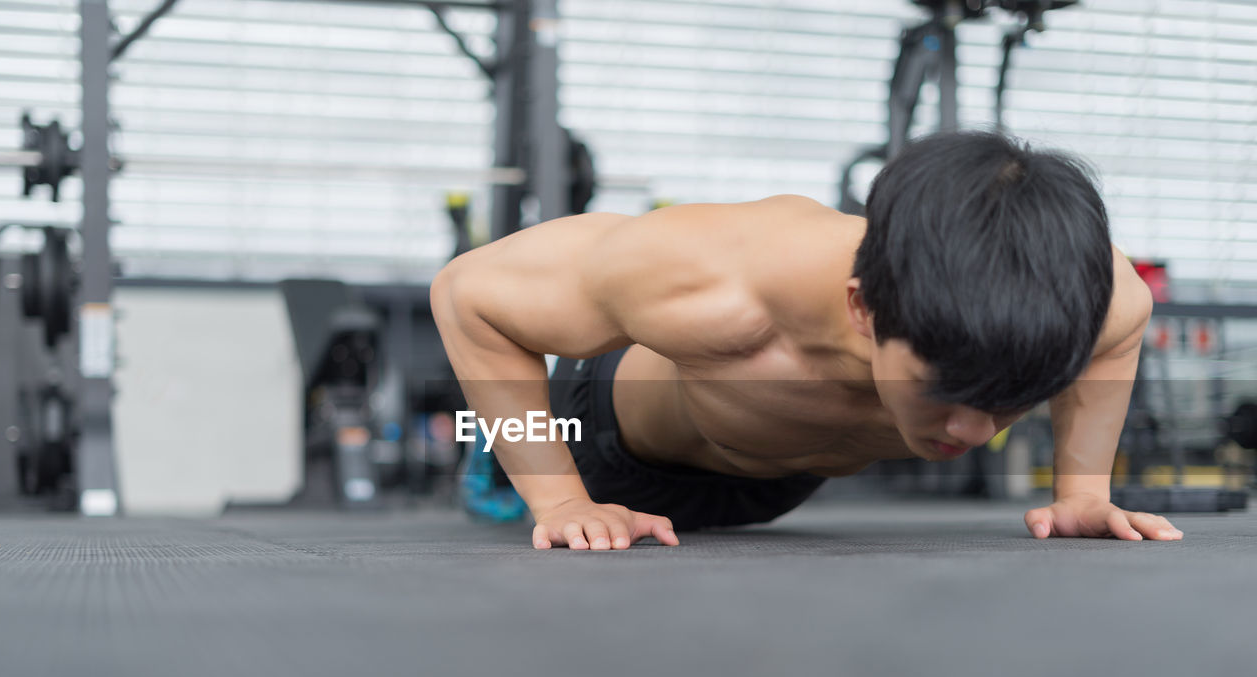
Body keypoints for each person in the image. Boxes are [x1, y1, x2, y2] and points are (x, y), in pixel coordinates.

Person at [431, 131, 1183, 549]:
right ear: (863, 307)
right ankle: (494, 461)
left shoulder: (1095, 296)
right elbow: (469, 297)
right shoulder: (708, 278)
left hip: (777, 480)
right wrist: (560, 500)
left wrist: (1083, 492)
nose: (975, 431)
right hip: (610, 447)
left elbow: (1122, 330)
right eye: (946, 388)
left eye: (1007, 398)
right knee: (511, 456)